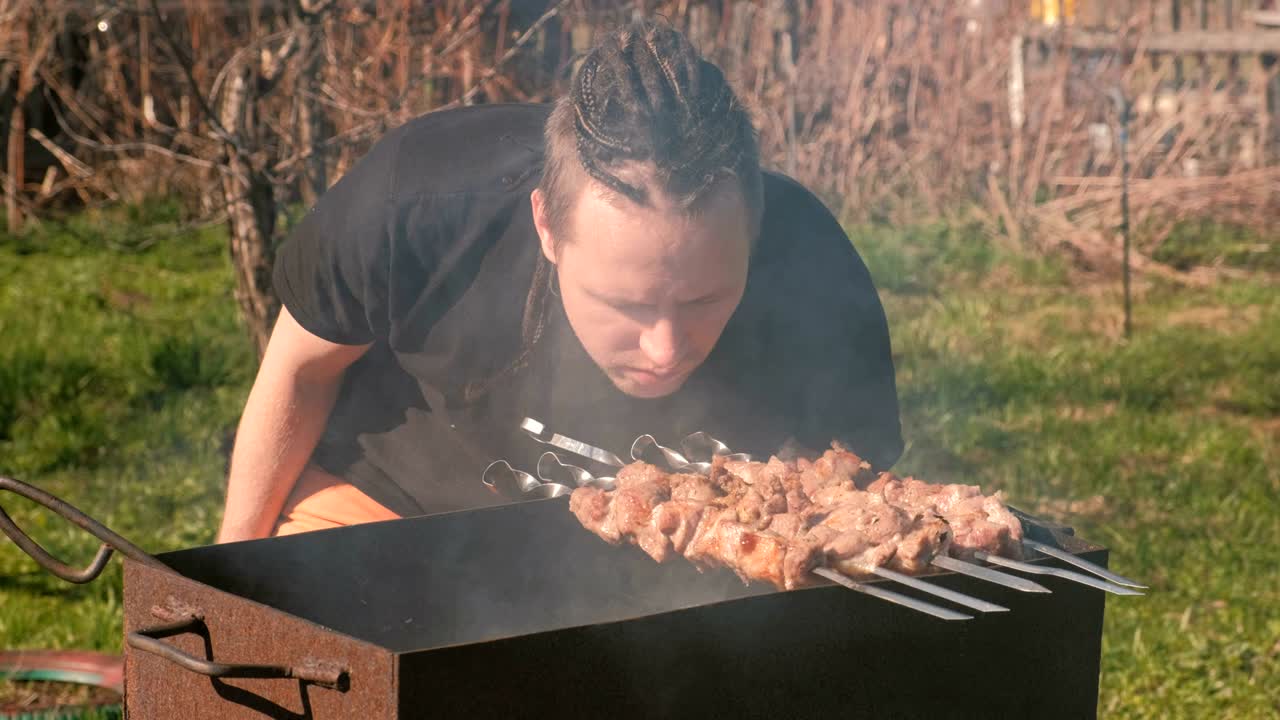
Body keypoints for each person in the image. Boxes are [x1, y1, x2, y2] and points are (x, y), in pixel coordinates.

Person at [215, 20, 902, 543]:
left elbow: (847, 491)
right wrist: (228, 590)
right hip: (385, 512)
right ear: (547, 225)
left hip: (668, 561)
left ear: (752, 230)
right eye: (625, 303)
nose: (664, 347)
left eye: (704, 299)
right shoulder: (420, 206)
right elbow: (299, 374)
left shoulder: (811, 264)